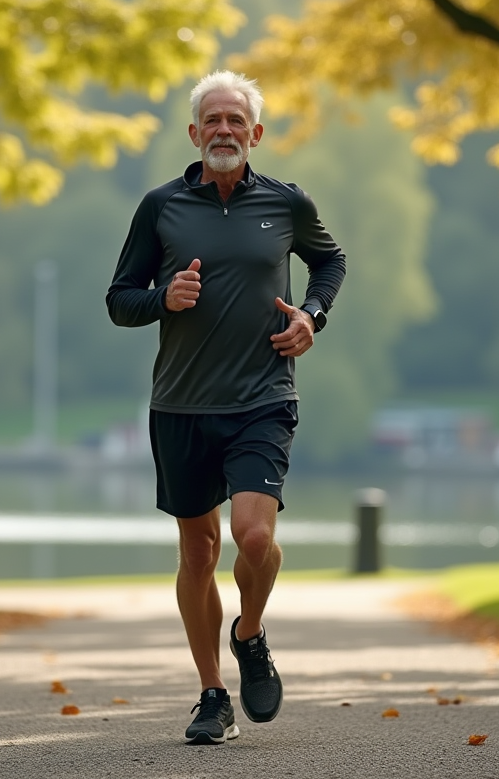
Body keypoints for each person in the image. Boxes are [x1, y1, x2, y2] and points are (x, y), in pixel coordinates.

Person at [105, 70, 346, 744]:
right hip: (180, 403)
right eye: (211, 120)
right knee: (198, 549)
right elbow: (120, 299)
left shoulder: (286, 203)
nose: (223, 130)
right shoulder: (161, 208)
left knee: (256, 535)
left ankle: (249, 631)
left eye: (235, 120)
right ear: (193, 133)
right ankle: (212, 695)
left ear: (256, 133)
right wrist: (163, 299)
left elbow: (329, 264)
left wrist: (312, 316)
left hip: (263, 397)